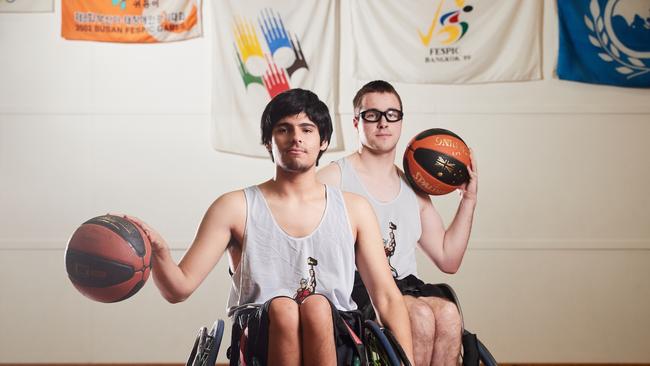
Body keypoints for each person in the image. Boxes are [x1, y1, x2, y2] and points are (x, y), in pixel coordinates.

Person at [126, 88, 414, 366]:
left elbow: (388, 299)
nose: (296, 138)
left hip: (337, 336)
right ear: (268, 141)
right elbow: (179, 289)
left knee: (316, 306)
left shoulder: (355, 209)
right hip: (259, 338)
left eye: (307, 129)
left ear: (323, 141)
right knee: (284, 308)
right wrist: (161, 253)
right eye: (284, 129)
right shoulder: (234, 207)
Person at [317, 80, 478, 366]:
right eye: (372, 114)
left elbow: (448, 258)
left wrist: (468, 200)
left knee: (449, 314)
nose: (383, 122)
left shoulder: (414, 188)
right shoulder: (332, 178)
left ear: (401, 122)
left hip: (407, 287)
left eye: (392, 114)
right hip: (358, 291)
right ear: (357, 122)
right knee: (419, 315)